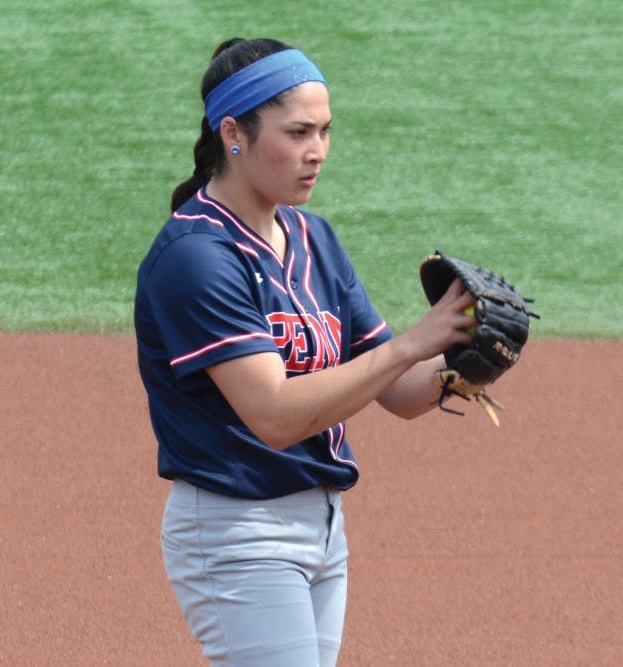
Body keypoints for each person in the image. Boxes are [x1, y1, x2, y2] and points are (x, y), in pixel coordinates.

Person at [134, 37, 477, 666]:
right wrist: (410, 345)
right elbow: (276, 417)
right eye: (297, 133)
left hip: (321, 530)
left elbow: (398, 391)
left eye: (324, 131)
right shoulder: (197, 258)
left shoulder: (313, 238)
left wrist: (463, 356)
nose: (316, 151)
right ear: (233, 133)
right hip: (239, 530)